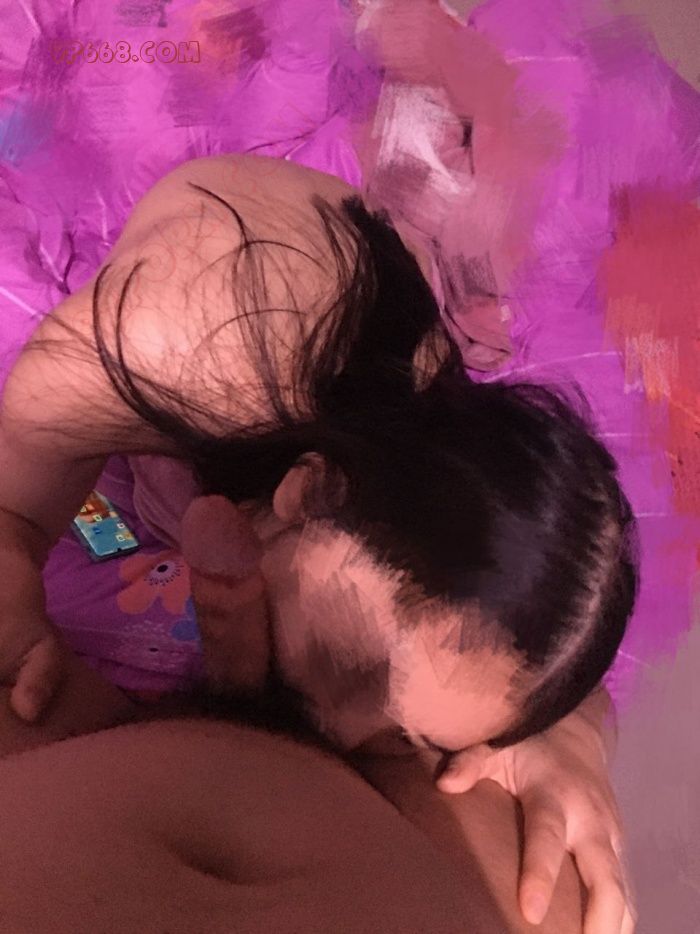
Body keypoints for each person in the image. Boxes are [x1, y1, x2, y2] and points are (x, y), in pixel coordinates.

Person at [0, 152, 636, 930]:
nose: (333, 734)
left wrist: (569, 735)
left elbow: (516, 629)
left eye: (405, 738)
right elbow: (17, 501)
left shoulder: (428, 527)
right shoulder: (180, 332)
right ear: (309, 489)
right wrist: (13, 593)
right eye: (345, 665)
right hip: (228, 314)